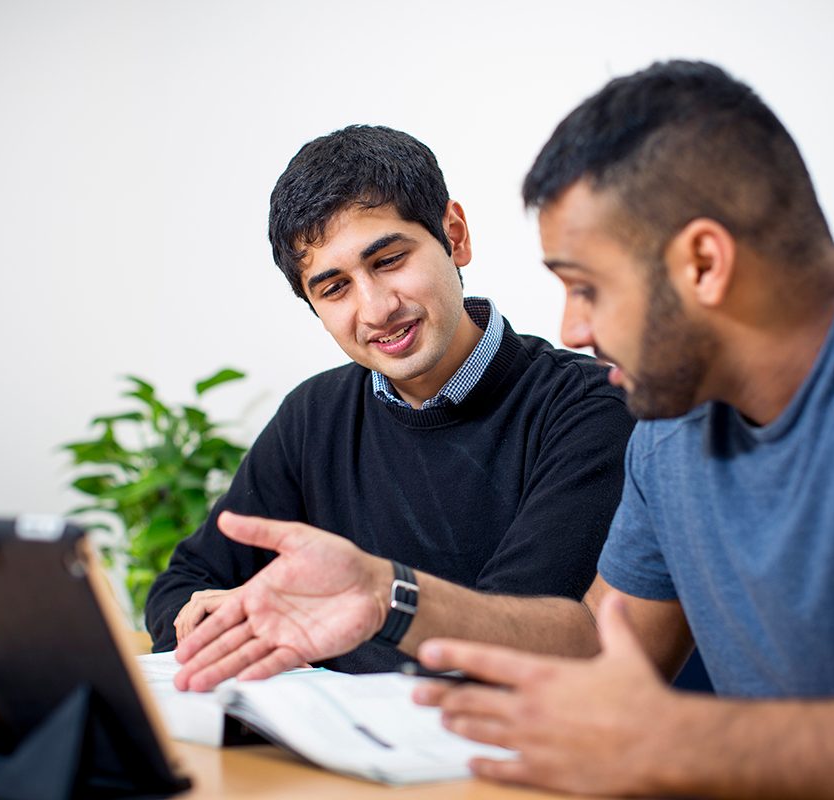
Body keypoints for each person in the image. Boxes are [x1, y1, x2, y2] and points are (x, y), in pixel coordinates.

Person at [171, 62, 834, 796]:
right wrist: (389, 596)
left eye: (586, 285)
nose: (573, 327)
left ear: (701, 262)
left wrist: (697, 744)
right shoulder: (673, 428)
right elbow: (594, 647)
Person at [145, 124, 633, 675]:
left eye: (389, 260)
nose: (375, 309)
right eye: (334, 289)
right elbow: (183, 587)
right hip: (322, 751)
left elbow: (517, 637)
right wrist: (228, 624)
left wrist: (333, 624)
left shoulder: (588, 408)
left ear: (454, 235)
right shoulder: (313, 416)